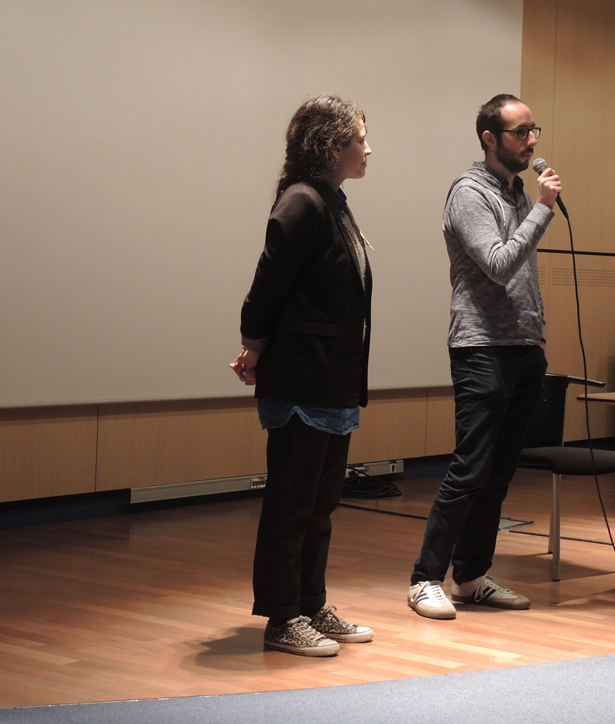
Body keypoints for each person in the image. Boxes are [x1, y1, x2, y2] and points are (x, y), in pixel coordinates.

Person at [408, 94, 561, 620]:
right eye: (521, 132)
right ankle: (425, 579)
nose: (532, 141)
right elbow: (498, 264)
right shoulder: (469, 193)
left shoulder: (516, 192)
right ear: (490, 139)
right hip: (482, 349)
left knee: (498, 475)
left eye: (534, 130)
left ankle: (471, 576)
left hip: (523, 347)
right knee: (470, 470)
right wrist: (543, 209)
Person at [231, 94, 374, 656]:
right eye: (360, 138)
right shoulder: (302, 202)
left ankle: (311, 604)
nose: (368, 149)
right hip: (302, 379)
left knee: (321, 504)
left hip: (330, 380)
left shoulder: (330, 201)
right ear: (332, 146)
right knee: (291, 505)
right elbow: (268, 285)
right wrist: (254, 345)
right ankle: (281, 616)